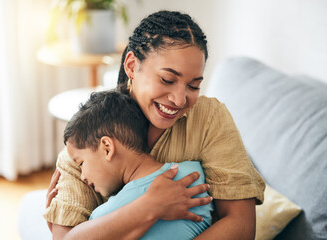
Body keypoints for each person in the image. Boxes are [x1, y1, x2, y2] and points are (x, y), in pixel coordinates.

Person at [44, 10, 265, 239]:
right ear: (131, 65)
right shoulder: (86, 139)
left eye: (193, 86)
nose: (180, 99)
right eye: (167, 80)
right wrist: (150, 207)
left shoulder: (209, 119)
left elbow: (241, 226)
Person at [62, 90, 214, 239]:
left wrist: (57, 225)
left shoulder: (104, 217)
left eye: (81, 163)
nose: (82, 176)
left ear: (107, 148)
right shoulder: (194, 175)